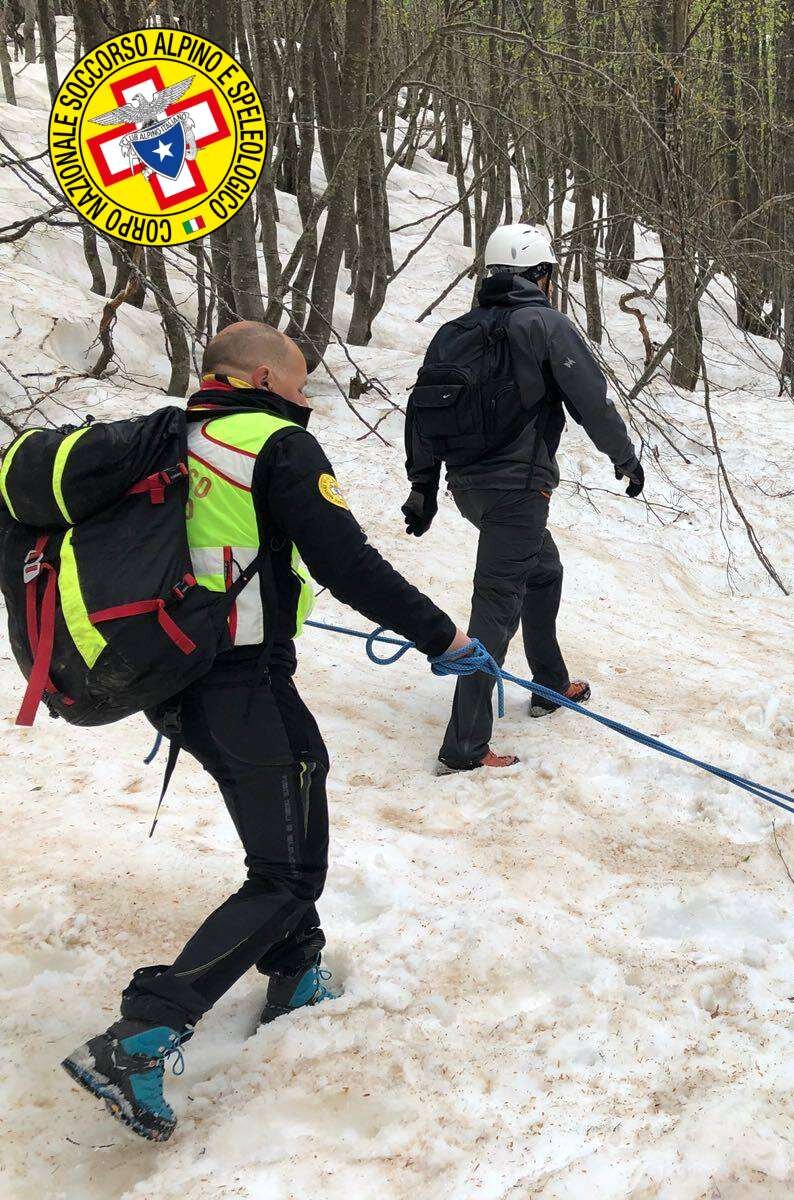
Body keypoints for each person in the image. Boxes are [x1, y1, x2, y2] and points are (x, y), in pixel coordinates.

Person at [62, 322, 478, 1142]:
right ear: (261, 378)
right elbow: (347, 563)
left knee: (295, 790)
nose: (305, 396)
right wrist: (443, 637)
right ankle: (142, 1034)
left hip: (173, 676)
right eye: (298, 383)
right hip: (236, 679)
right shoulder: (275, 444)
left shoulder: (170, 440)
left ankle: (294, 969)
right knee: (288, 870)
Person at [403, 223, 643, 772]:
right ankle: (464, 747)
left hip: (468, 489)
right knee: (495, 607)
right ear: (540, 275)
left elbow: (422, 411)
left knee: (544, 571)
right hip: (519, 490)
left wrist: (422, 485)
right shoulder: (545, 324)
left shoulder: (454, 331)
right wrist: (625, 458)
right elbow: (592, 401)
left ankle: (550, 684)